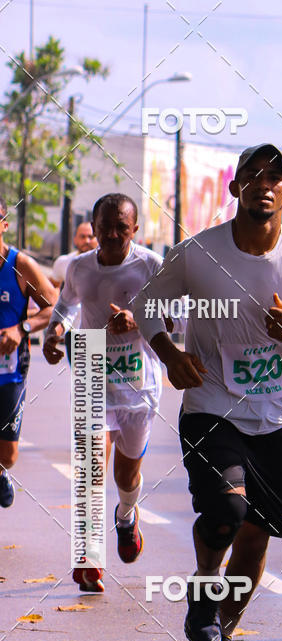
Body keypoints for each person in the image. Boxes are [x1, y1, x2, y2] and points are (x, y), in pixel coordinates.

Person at [133, 143, 282, 641]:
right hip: (210, 408)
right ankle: (204, 596)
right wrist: (169, 352)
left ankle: (220, 640)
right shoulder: (199, 253)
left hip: (275, 418)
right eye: (251, 174)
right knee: (227, 515)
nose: (263, 183)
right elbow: (145, 305)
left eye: (274, 176)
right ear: (236, 190)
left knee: (256, 538)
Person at [44, 193, 164, 593]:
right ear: (92, 229)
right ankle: (88, 558)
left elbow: (178, 317)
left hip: (139, 382)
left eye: (121, 228)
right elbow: (64, 306)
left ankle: (126, 517)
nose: (112, 236)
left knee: (125, 473)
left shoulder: (151, 266)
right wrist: (55, 331)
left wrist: (137, 319)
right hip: (93, 366)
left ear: (135, 230)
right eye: (104, 228)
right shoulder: (79, 268)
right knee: (91, 467)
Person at [0, 194, 56, 508]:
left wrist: (20, 329)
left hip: (9, 372)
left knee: (7, 454)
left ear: (4, 225)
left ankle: (1, 472)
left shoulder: (20, 265)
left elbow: (55, 308)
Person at [50, 222, 98, 365]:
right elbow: (53, 287)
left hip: (104, 330)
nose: (87, 241)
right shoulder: (64, 262)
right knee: (85, 383)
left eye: (91, 236)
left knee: (110, 383)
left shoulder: (108, 261)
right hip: (76, 331)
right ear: (75, 239)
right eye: (82, 237)